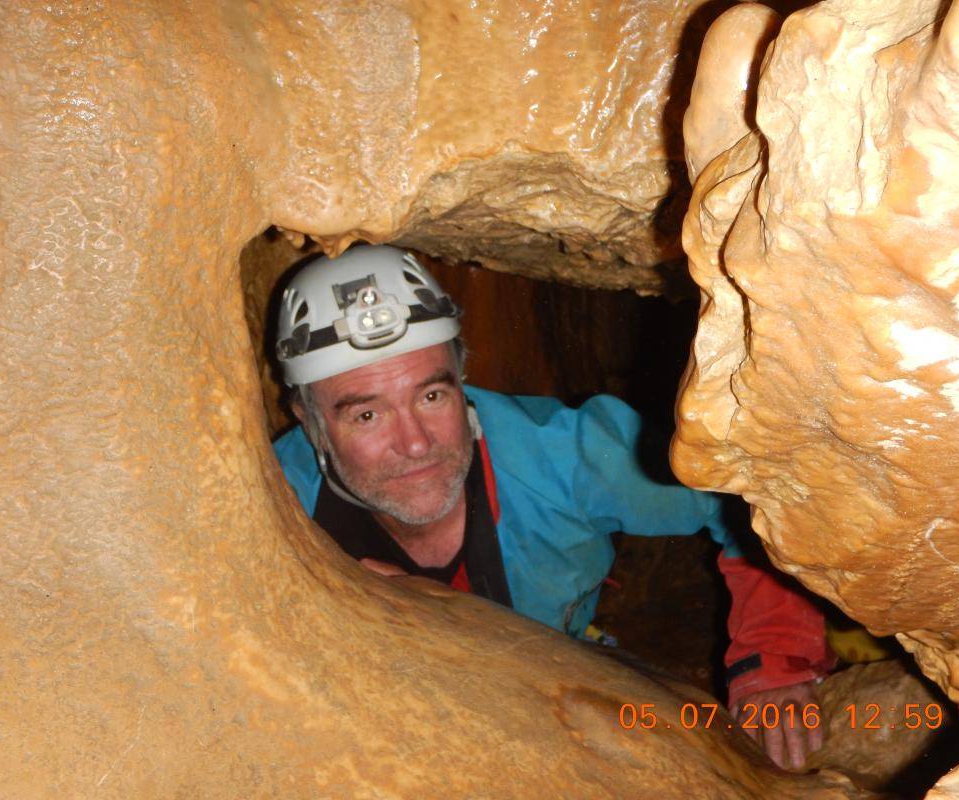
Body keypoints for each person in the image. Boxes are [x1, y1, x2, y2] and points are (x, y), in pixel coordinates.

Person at [272, 245, 836, 769]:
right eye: (367, 415)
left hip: (562, 669)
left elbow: (752, 489)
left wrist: (774, 658)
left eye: (432, 395)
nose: (416, 443)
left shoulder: (568, 460)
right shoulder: (273, 500)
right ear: (310, 420)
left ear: (462, 379)